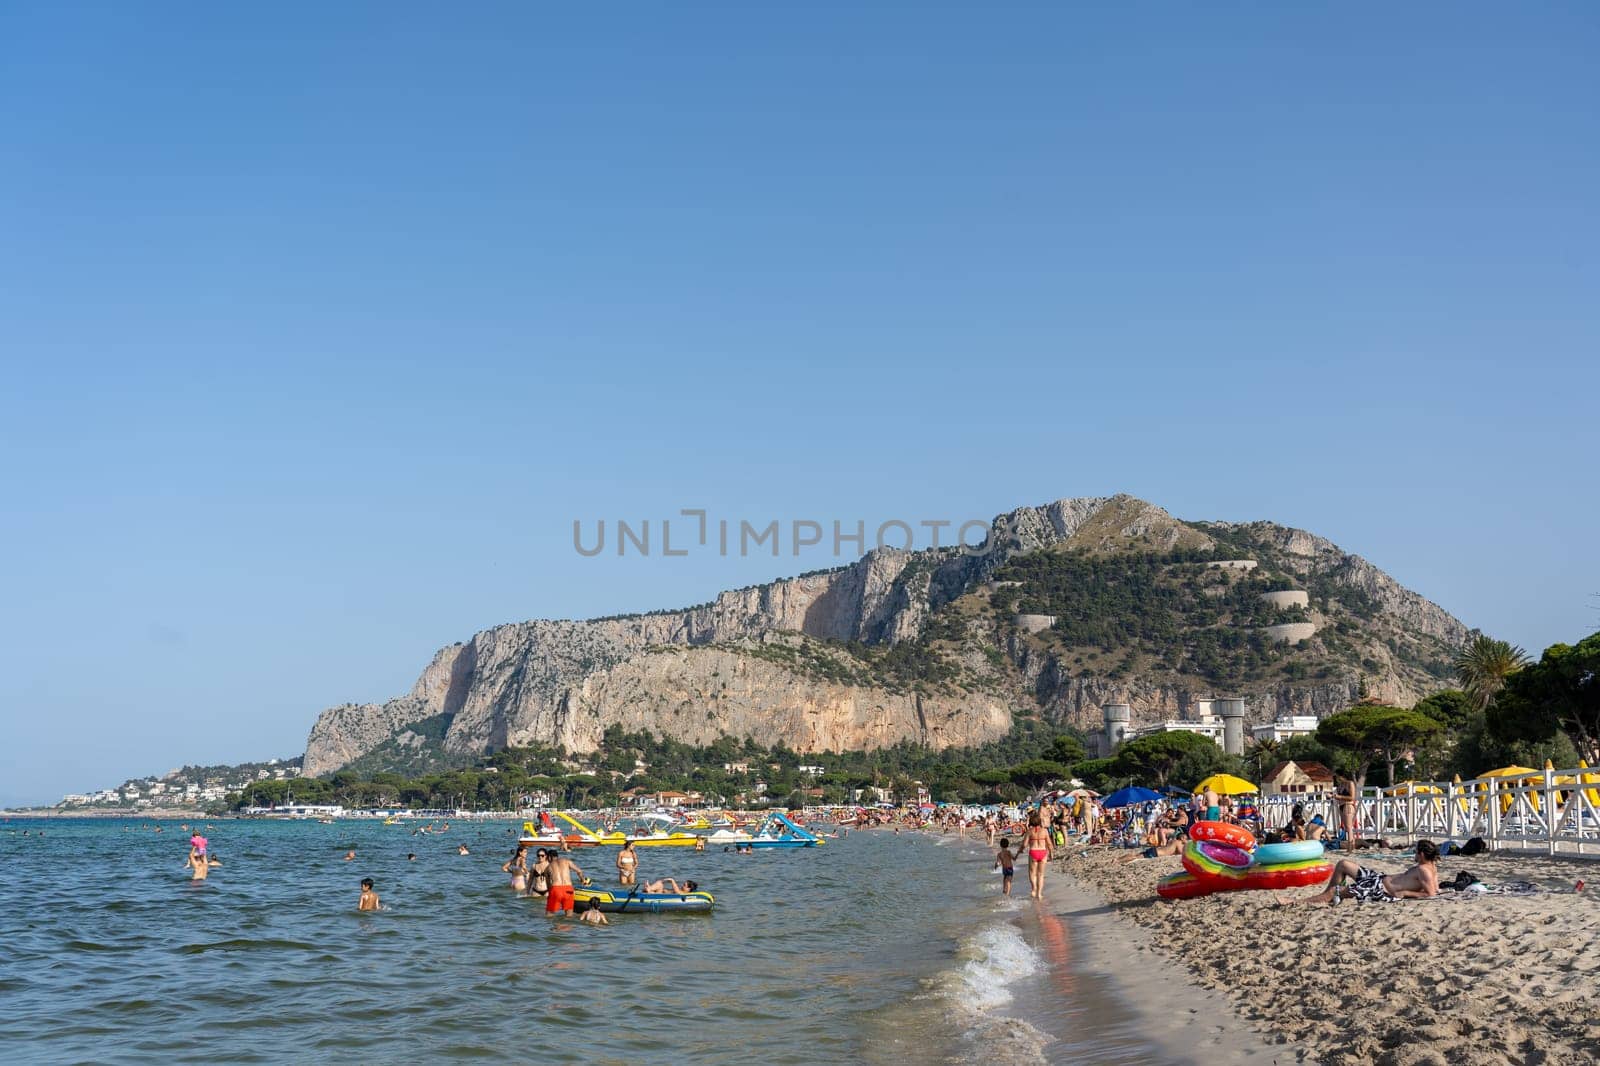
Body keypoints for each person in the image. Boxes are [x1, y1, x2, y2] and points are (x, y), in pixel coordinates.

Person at [1287, 840, 1440, 905]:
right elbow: (1435, 888)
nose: (1413, 854)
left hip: (1379, 889)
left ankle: (1297, 902)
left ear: (1421, 854)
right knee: (1343, 864)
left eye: (1415, 852)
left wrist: (1406, 893)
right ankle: (1328, 896)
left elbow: (1431, 894)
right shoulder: (1431, 867)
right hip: (1378, 879)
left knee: (1335, 890)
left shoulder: (1423, 869)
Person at [1023, 812, 1051, 899]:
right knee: (1041, 874)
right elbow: (1049, 844)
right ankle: (1039, 894)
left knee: (1032, 873)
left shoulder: (1029, 831)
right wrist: (1051, 854)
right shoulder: (1045, 831)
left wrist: (1021, 850)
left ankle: (1034, 889)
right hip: (1043, 852)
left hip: (1033, 852)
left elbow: (1024, 844)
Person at [1337, 776, 1359, 851]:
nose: (1338, 779)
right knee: (1347, 828)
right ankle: (1351, 847)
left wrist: (1338, 796)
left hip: (1348, 805)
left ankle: (1350, 848)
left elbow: (1352, 797)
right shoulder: (1339, 786)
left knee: (1349, 828)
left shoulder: (1350, 783)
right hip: (1341, 806)